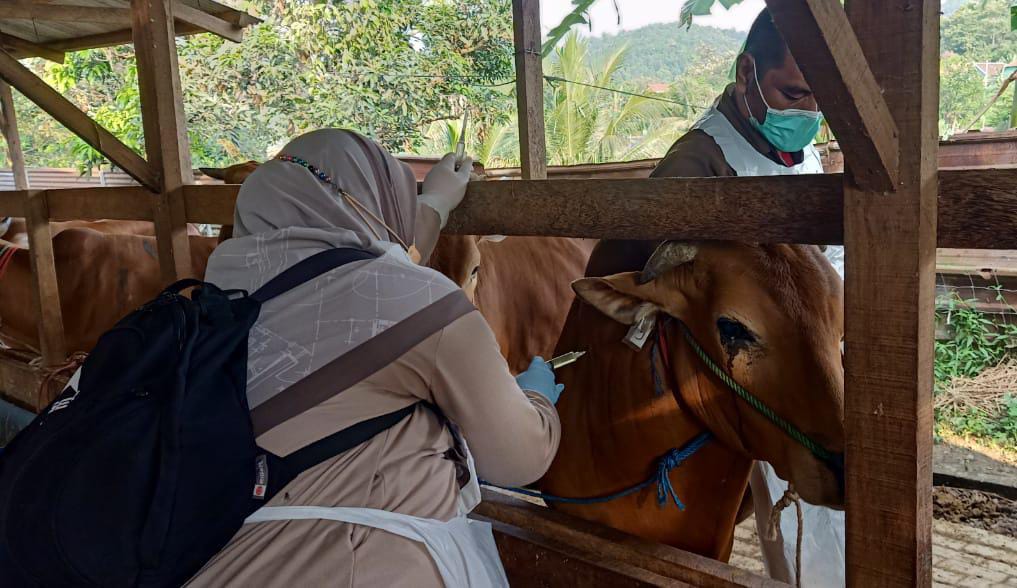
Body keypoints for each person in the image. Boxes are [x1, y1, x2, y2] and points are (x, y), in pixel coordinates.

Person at [186, 129, 562, 587]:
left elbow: (376, 263)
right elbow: (519, 461)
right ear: (376, 202)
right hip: (354, 567)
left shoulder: (203, 301)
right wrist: (538, 402)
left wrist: (434, 207)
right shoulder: (422, 303)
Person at [651, 9, 844, 586]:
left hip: (824, 359)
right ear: (745, 74)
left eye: (819, 99)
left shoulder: (801, 153)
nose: (807, 112)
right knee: (798, 518)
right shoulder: (697, 166)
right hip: (759, 384)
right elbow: (649, 288)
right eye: (793, 92)